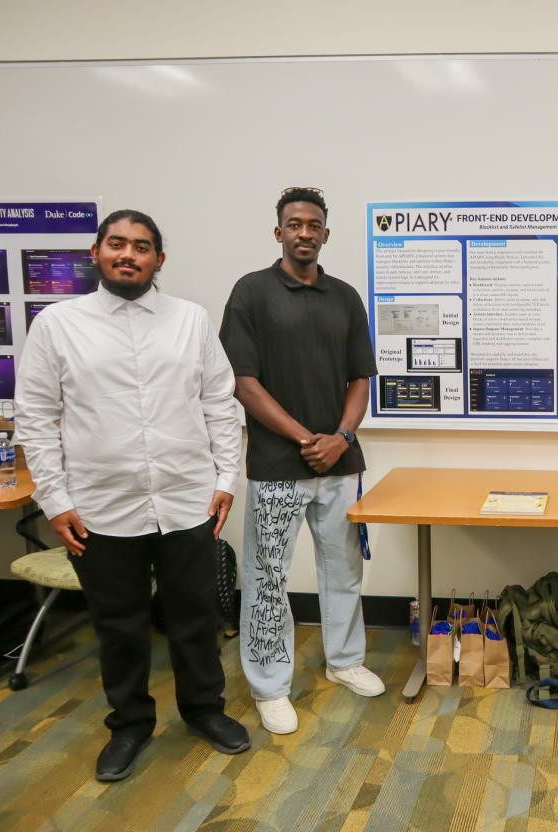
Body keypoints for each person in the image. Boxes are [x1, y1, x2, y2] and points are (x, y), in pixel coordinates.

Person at [14, 209, 249, 782]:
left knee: (194, 617)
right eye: (117, 244)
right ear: (96, 253)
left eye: (141, 247)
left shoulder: (190, 320)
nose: (129, 254)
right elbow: (37, 417)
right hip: (99, 508)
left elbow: (220, 403)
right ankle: (130, 724)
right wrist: (55, 500)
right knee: (118, 625)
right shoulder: (57, 324)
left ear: (158, 261)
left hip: (186, 501)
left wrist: (224, 481)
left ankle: (203, 710)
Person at [219, 187, 382, 736]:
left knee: (345, 569)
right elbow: (243, 381)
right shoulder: (252, 293)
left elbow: (360, 378)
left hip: (341, 463)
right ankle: (269, 686)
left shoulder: (344, 297)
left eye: (314, 225)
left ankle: (344, 661)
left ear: (326, 234)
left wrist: (338, 436)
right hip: (276, 466)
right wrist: (304, 437)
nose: (304, 233)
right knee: (267, 576)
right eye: (295, 224)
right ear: (279, 232)